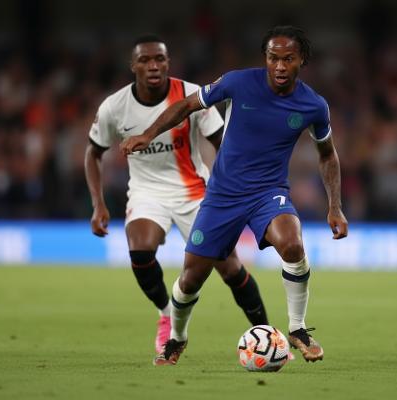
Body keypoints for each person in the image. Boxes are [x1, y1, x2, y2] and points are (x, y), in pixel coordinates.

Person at [120, 26, 348, 366]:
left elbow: (327, 154)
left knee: (292, 244)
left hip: (268, 192)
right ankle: (177, 338)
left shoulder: (313, 105)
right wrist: (148, 133)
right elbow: (186, 105)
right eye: (273, 58)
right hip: (222, 196)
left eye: (288, 59)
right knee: (191, 278)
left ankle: (298, 329)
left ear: (302, 60)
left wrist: (335, 207)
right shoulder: (238, 82)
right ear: (265, 58)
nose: (280, 66)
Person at [84, 34, 269, 362]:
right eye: (145, 60)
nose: (153, 65)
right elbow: (93, 153)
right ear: (133, 66)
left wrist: (230, 192)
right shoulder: (115, 107)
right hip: (146, 193)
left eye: (160, 59)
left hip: (195, 192)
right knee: (140, 249)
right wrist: (98, 204)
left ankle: (266, 333)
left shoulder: (190, 95)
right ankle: (166, 313)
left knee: (230, 268)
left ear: (168, 63)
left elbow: (222, 143)